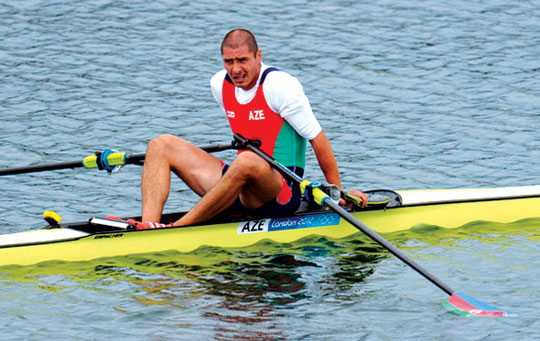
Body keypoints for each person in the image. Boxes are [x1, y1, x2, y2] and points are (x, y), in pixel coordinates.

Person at [124, 28, 368, 229]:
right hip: (242, 188)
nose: (236, 69)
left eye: (242, 60)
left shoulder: (280, 86)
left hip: (280, 194)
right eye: (229, 61)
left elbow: (318, 139)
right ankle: (149, 227)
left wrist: (338, 193)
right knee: (161, 145)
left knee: (247, 160)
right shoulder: (219, 84)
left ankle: (177, 229)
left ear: (258, 56)